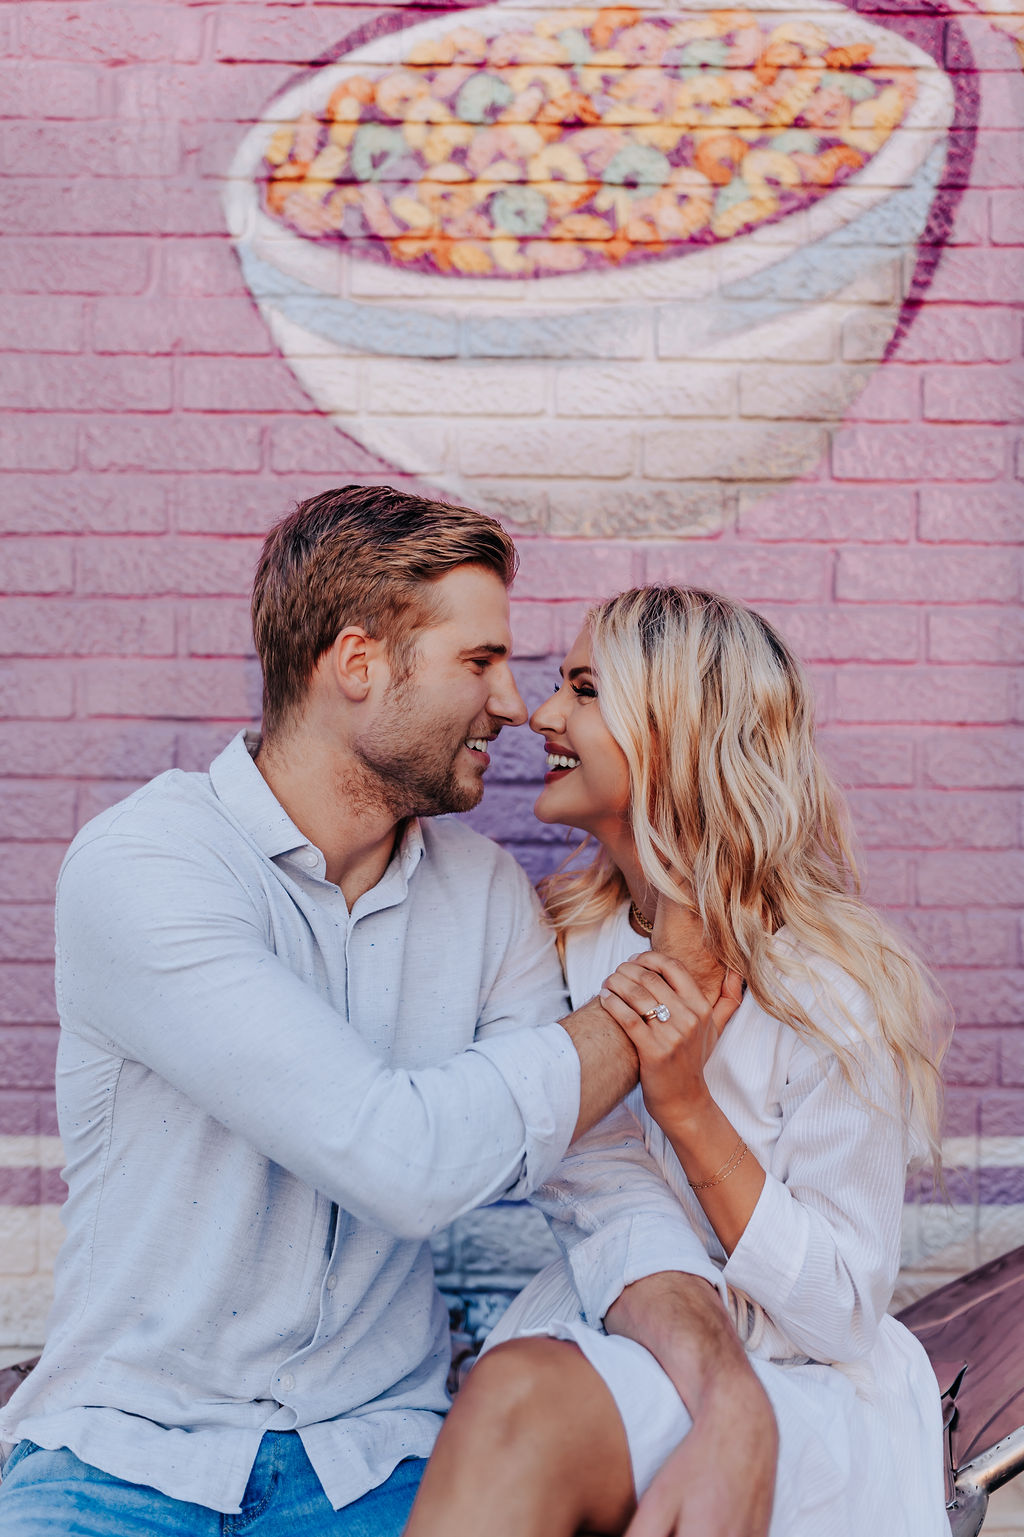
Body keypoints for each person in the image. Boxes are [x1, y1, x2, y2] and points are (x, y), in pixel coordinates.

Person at [0, 491, 772, 1537]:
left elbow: (596, 1183)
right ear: (358, 664)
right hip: (121, 1460)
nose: (511, 702)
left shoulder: (485, 893)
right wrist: (643, 1005)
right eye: (478, 661)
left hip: (373, 1466)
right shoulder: (149, 867)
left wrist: (728, 1395)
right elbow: (395, 1156)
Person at [405, 585, 952, 1537]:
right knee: (517, 1393)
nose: (542, 714)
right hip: (624, 1330)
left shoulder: (829, 986)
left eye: (583, 688)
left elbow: (840, 1313)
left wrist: (688, 1105)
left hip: (806, 1386)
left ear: (675, 731)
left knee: (523, 1401)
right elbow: (586, 1189)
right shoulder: (564, 945)